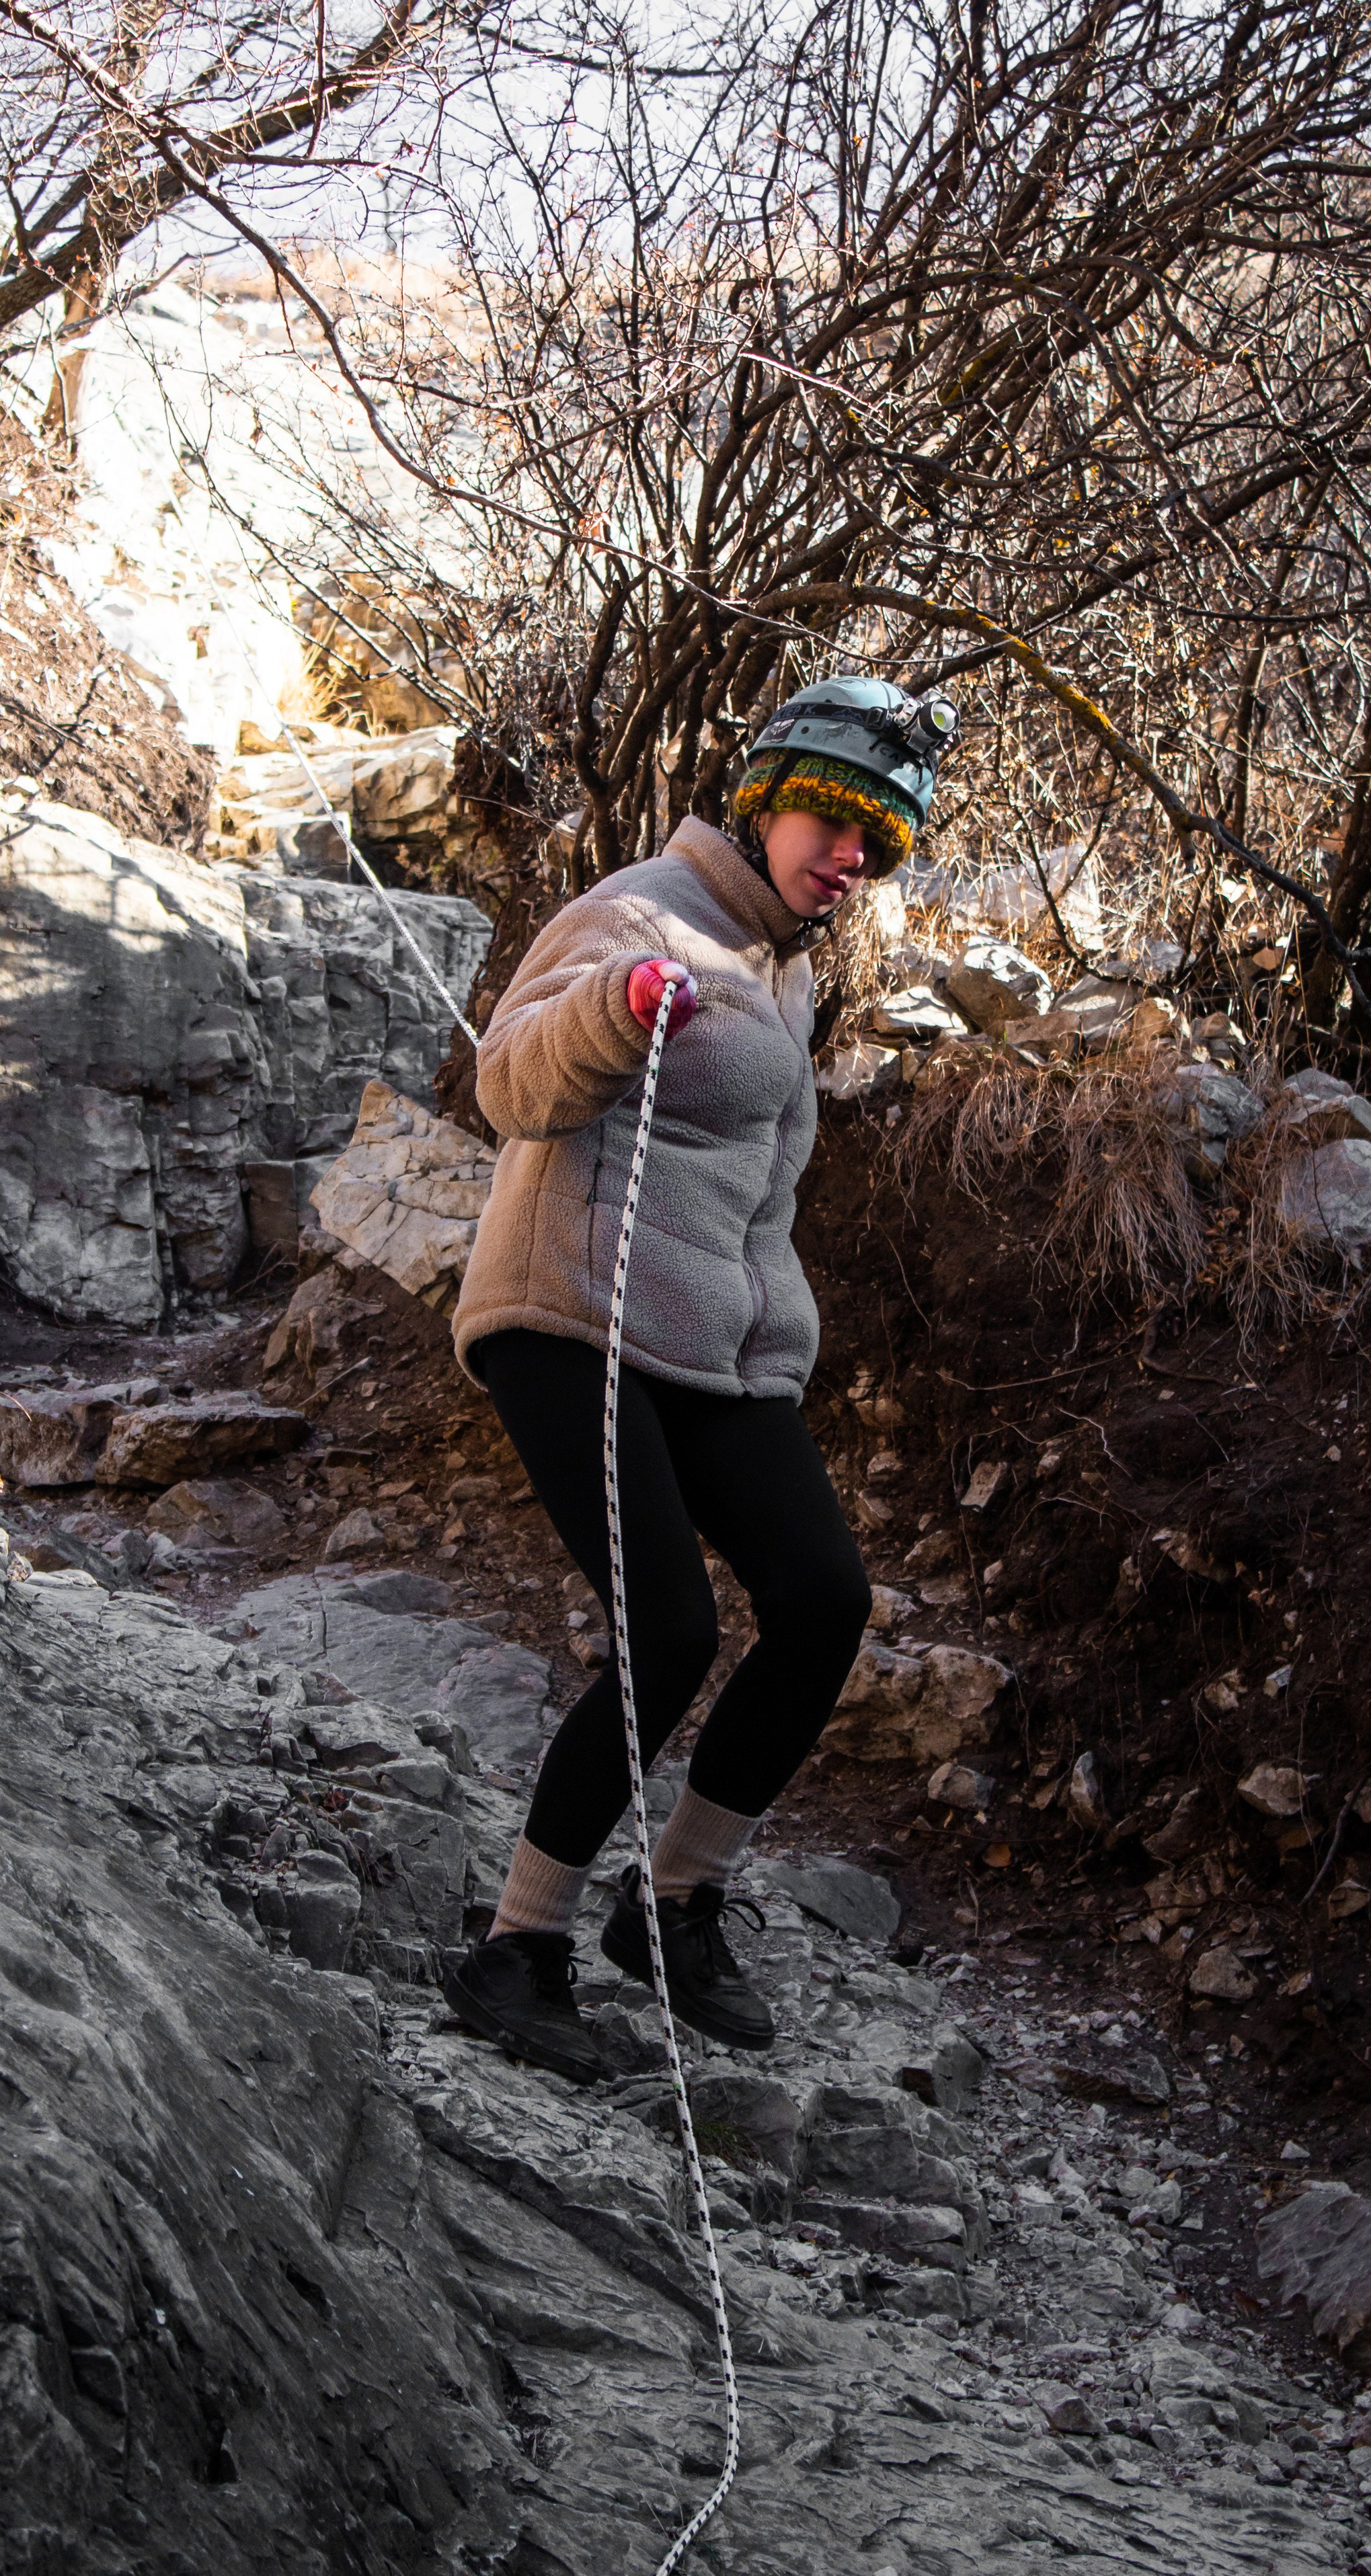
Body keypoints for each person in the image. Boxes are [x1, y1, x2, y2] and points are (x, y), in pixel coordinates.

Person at [439, 678, 959, 2083]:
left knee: (821, 1604)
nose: (850, 861)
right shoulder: (638, 913)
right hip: (569, 1321)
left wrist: (773, 1342)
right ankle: (517, 1948)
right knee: (666, 1632)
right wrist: (614, 1008)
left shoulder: (784, 964)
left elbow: (748, 1195)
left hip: (716, 1354)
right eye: (836, 822)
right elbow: (507, 1087)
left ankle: (671, 1904)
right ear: (769, 795)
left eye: (878, 845)